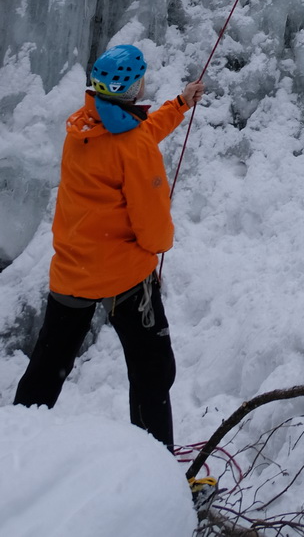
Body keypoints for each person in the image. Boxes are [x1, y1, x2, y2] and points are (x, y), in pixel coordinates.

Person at [14, 43, 205, 450]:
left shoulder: (82, 127)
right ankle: (155, 469)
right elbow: (153, 228)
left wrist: (179, 104)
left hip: (72, 273)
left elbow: (135, 137)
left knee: (46, 371)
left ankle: (14, 452)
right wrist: (161, 245)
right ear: (133, 88)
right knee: (153, 371)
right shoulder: (132, 146)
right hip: (125, 279)